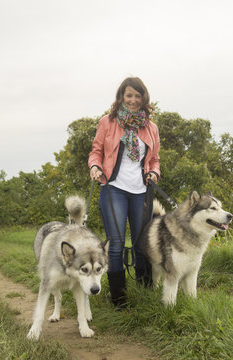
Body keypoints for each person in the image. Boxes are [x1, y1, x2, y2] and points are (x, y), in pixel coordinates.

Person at [88, 77, 160, 308]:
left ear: (143, 99)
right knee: (116, 245)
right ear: (121, 97)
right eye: (129, 96)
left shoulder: (151, 128)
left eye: (137, 96)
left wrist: (154, 173)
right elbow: (96, 151)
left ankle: (145, 293)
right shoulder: (107, 122)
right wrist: (95, 166)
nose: (133, 100)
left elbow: (155, 159)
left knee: (142, 245)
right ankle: (119, 300)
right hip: (113, 189)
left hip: (141, 192)